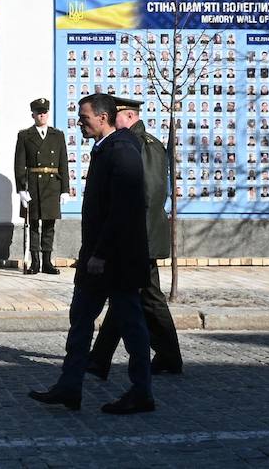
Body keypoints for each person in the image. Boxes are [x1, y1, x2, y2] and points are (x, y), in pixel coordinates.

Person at [29, 92, 154, 415]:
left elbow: (122, 210)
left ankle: (142, 392)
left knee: (131, 324)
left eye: (84, 117)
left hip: (116, 258)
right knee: (81, 319)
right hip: (98, 257)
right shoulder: (106, 148)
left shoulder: (123, 150)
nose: (79, 122)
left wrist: (100, 253)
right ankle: (70, 386)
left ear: (102, 117)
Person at [88, 95, 184, 378]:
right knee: (127, 296)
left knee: (148, 298)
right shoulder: (137, 142)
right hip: (136, 237)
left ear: (127, 116)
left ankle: (168, 357)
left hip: (140, 238)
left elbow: (149, 193)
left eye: (114, 115)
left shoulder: (142, 144)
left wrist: (130, 237)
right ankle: (100, 358)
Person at [14, 97, 68, 274]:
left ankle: (47, 262)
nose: (42, 115)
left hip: (52, 185)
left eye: (44, 112)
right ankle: (35, 262)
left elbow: (63, 164)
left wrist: (65, 189)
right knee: (34, 224)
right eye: (38, 113)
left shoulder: (57, 135)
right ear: (33, 115)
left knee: (49, 225)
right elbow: (19, 163)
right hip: (33, 184)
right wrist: (21, 189)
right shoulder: (25, 135)